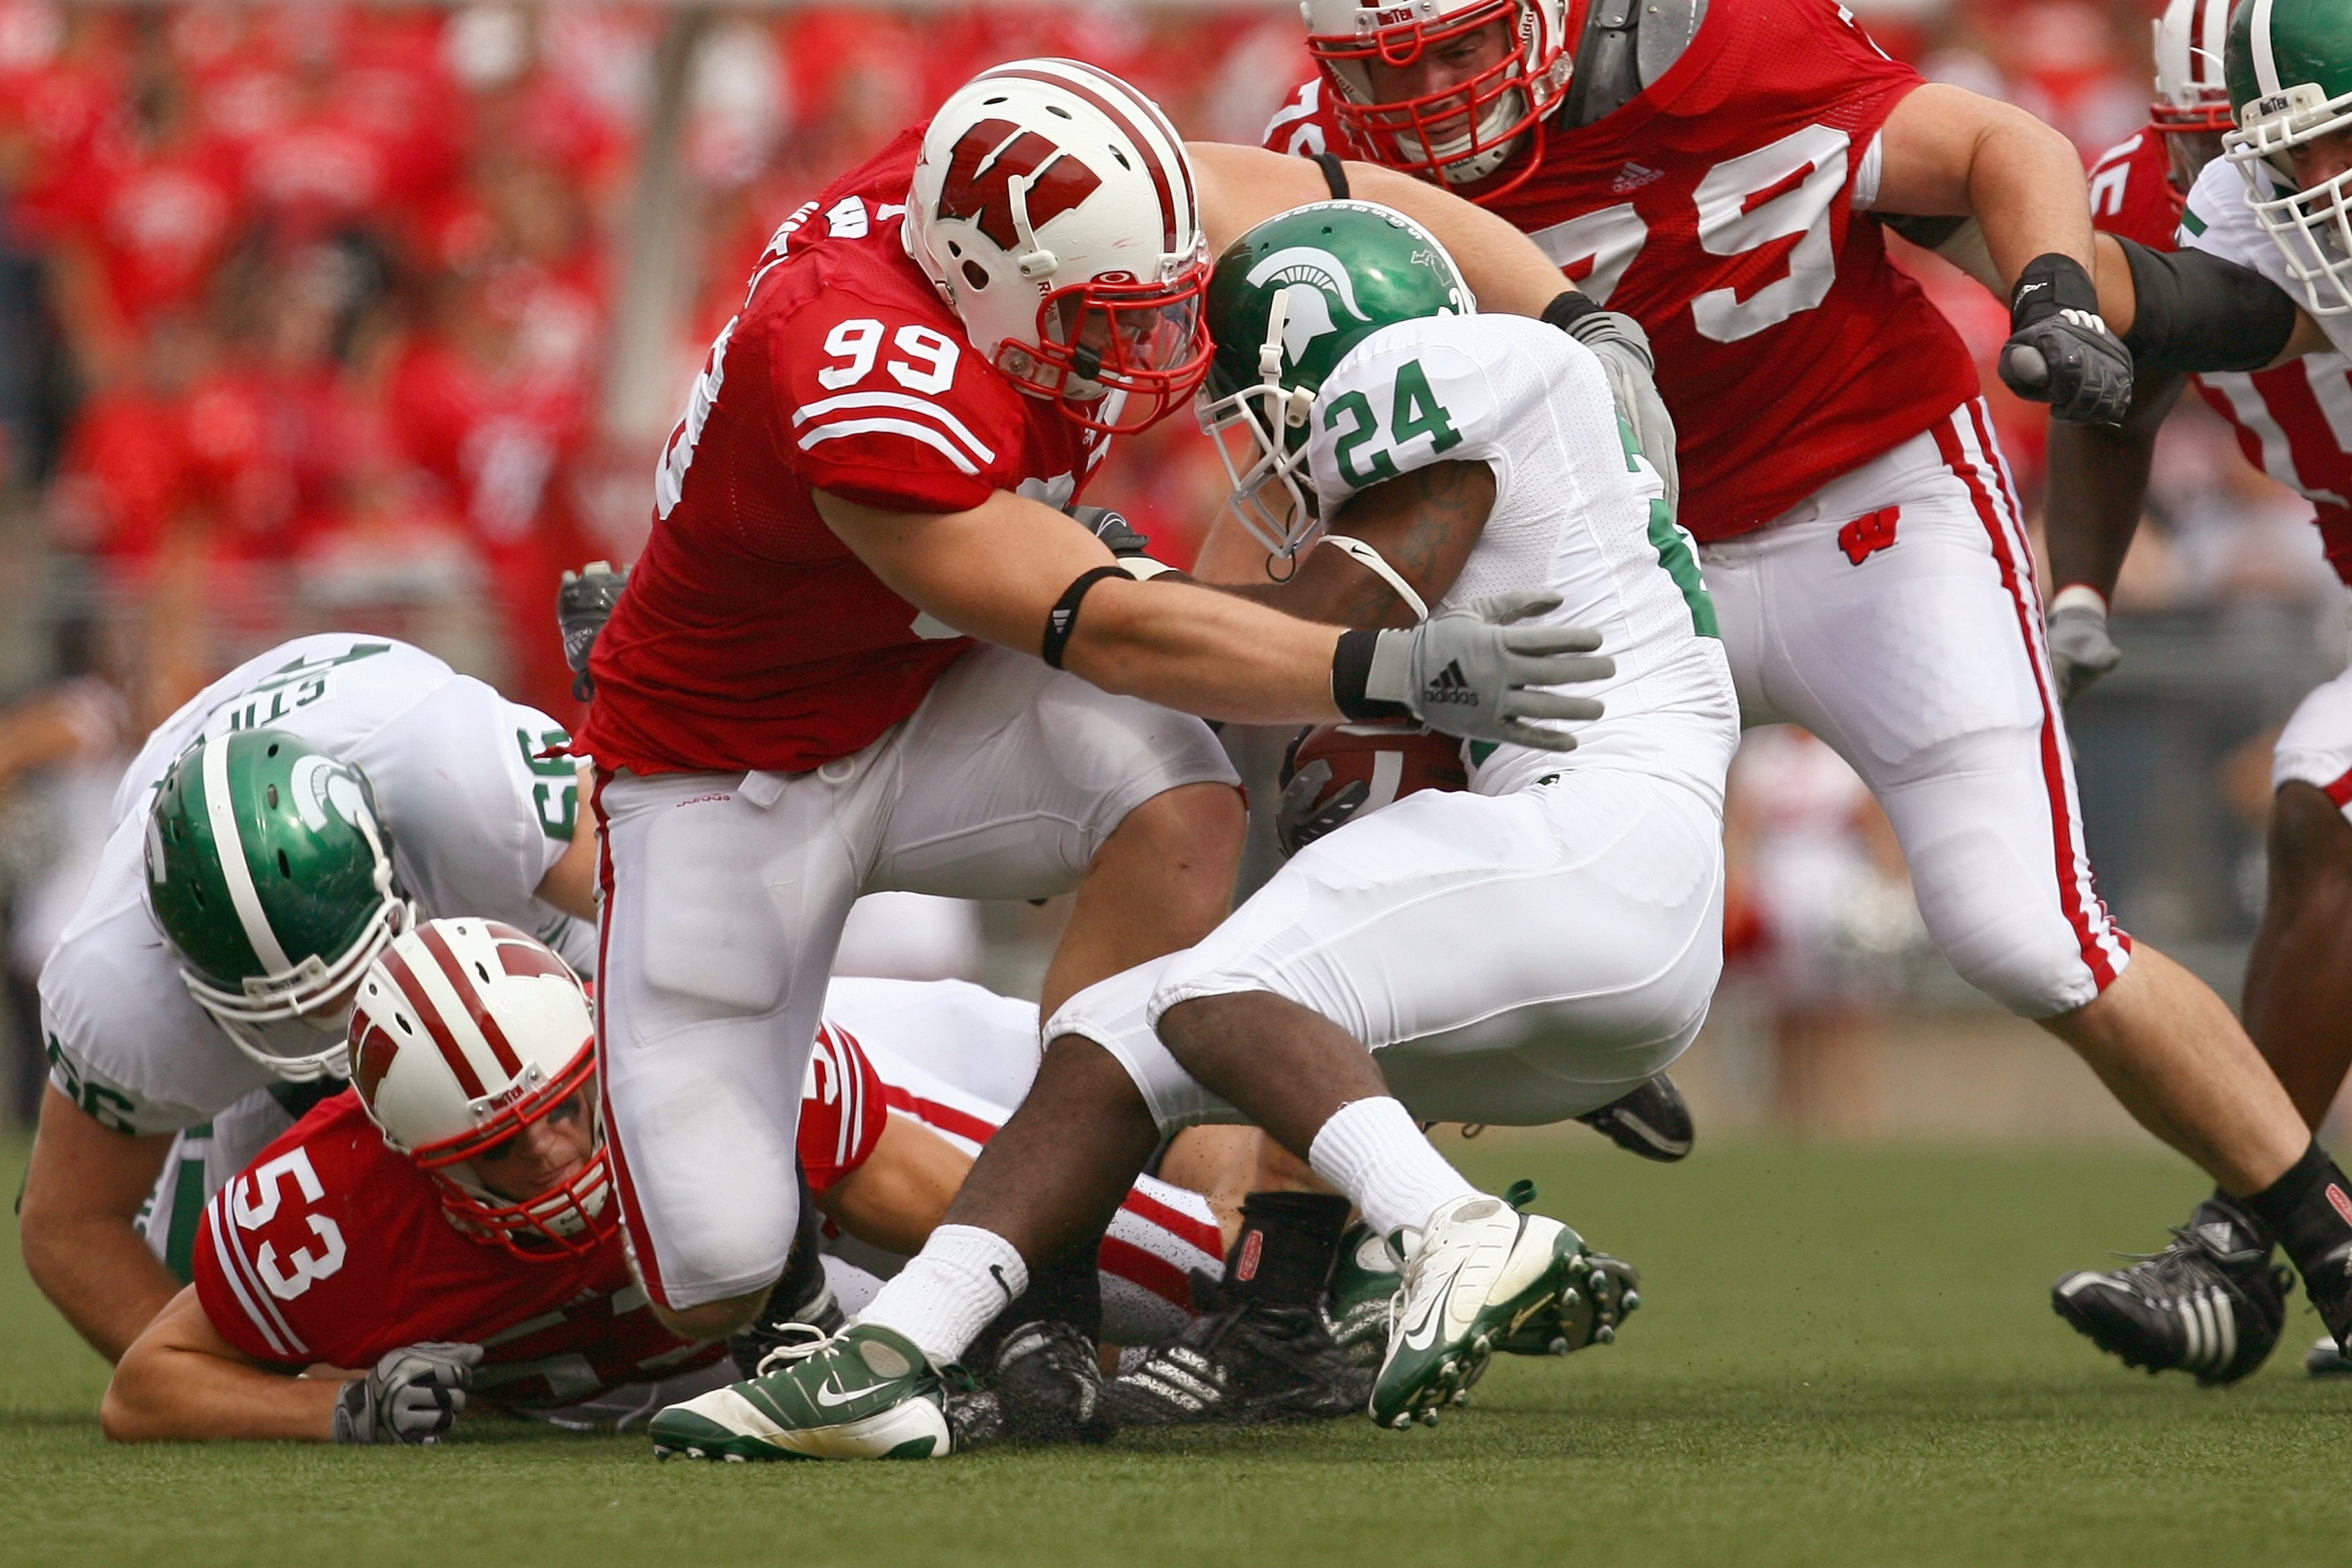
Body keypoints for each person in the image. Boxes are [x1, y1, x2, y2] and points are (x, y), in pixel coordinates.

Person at [581, 54, 1666, 1458]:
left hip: (929, 690)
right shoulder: (855, 365)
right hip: (727, 767)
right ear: (984, 289)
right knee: (711, 1265)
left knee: (1175, 790)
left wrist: (1576, 319)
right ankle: (807, 1283)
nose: (1155, 342)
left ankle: (1048, 1281)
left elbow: (1349, 198)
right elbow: (1110, 627)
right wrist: (1385, 668)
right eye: (1110, 320)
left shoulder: (1059, 207)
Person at [1253, 0, 2352, 1367]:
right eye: (1379, 65)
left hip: (1869, 505)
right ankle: (1292, 1289)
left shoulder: (1723, 42)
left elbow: (1998, 149)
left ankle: (2314, 1242)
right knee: (1442, 894)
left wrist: (2049, 290)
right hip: (1621, 554)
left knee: (2023, 927)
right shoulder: (1312, 159)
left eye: (1462, 47)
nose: (1427, 94)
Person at [99, 922, 1239, 1444]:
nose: (555, 1156)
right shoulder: (330, 1216)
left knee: (1203, 1279)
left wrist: (1168, 1300)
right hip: (723, 1352)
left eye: (565, 1110)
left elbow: (973, 1212)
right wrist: (336, 1407)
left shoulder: (687, 1067)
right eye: (502, 1149)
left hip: (826, 1170)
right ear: (415, 1159)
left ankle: (1283, 1244)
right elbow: (146, 1384)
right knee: (957, 1369)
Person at [2037, 0, 2352, 1385]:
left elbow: (2210, 317)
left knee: (2324, 802)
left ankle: (2236, 1242)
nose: (2304, 187)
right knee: (2321, 810)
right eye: (2264, 155)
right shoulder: (2199, 193)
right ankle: (2241, 1238)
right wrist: (2080, 584)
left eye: (2332, 146)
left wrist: (2073, 283)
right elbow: (2126, 379)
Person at [21, 634, 600, 1365]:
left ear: (388, 868)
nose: (341, 1019)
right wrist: (227, 1383)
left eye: (349, 980)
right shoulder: (121, 988)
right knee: (243, 1293)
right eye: (298, 1007)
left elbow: (670, 935)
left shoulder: (464, 789)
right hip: (252, 1038)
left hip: (437, 795)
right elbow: (67, 1225)